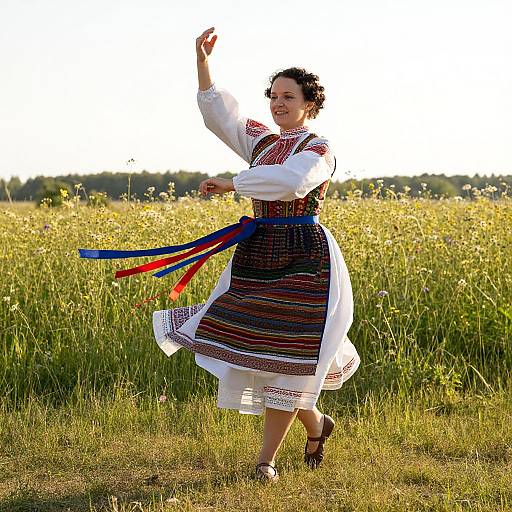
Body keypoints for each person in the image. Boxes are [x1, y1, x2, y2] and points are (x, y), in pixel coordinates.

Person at [152, 27, 360, 482]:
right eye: (273, 96)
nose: (278, 103)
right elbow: (221, 119)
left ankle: (265, 461)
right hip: (256, 255)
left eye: (288, 96)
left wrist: (233, 183)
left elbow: (291, 181)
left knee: (289, 355)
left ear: (310, 103)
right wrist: (202, 64)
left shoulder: (317, 147)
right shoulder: (263, 141)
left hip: (305, 258)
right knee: (257, 353)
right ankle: (316, 423)